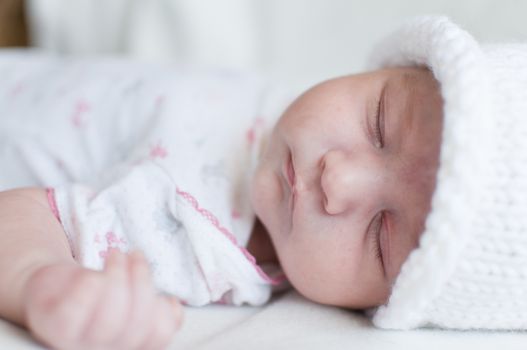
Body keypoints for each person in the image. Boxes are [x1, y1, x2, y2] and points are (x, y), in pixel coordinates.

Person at [0, 14, 525, 350]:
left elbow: (21, 220)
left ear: (380, 305)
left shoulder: (197, 234)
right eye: (380, 121)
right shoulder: (288, 109)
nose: (337, 179)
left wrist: (36, 280)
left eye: (381, 238)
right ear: (392, 68)